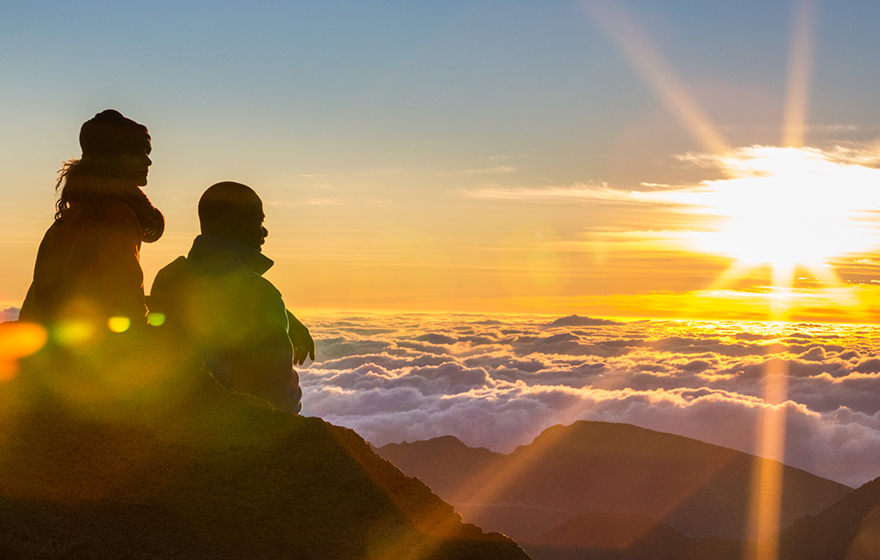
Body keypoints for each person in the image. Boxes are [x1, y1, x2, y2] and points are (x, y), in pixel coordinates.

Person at [149, 182, 313, 413]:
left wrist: (286, 318)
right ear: (237, 224)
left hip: (170, 415)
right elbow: (280, 396)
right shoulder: (261, 294)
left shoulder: (168, 277)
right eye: (260, 222)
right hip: (231, 426)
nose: (264, 232)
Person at [19, 110, 163, 331]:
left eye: (147, 152)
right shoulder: (116, 215)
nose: (148, 161)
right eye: (137, 153)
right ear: (112, 157)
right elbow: (125, 300)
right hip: (94, 349)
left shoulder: (67, 218)